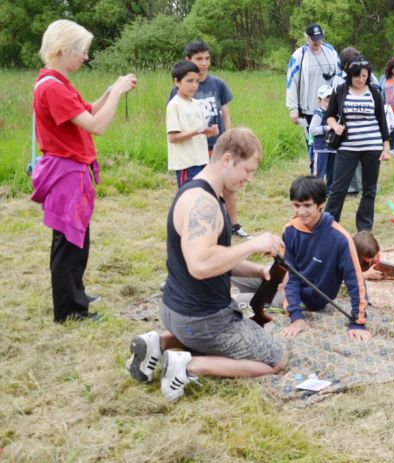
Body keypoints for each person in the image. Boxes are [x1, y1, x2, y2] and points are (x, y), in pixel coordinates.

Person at [126, 128, 287, 402]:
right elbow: (200, 265)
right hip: (203, 321)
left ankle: (159, 342)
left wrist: (256, 270)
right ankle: (187, 366)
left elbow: (214, 256)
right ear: (227, 159)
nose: (249, 178)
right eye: (247, 170)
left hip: (173, 310)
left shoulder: (201, 192)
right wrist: (252, 244)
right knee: (277, 359)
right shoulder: (204, 203)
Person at [30, 19, 137, 323]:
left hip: (72, 171)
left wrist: (109, 90)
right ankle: (69, 310)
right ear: (62, 50)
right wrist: (116, 94)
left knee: (77, 238)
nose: (86, 57)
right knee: (68, 243)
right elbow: (97, 126)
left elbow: (86, 110)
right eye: (82, 51)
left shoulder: (57, 82)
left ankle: (75, 294)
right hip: (66, 173)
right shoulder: (53, 88)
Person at [169, 41, 250, 239]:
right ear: (188, 60)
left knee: (227, 185)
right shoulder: (180, 91)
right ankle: (198, 229)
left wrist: (228, 138)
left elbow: (225, 114)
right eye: (198, 59)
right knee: (201, 190)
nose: (204, 63)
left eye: (206, 58)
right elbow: (175, 128)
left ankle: (233, 224)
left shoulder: (217, 84)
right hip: (193, 151)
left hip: (217, 146)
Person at [280, 176, 371, 341]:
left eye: (307, 205)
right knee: (251, 275)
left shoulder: (341, 238)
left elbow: (355, 281)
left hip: (310, 300)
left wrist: (358, 322)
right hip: (289, 293)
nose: (300, 212)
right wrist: (296, 317)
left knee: (249, 299)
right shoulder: (289, 231)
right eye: (296, 205)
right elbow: (289, 277)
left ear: (321, 204)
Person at [325, 56, 391, 232]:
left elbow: (382, 121)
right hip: (347, 148)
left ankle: (364, 227)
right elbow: (329, 116)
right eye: (357, 76)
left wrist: (386, 147)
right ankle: (329, 224)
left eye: (364, 76)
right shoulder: (340, 90)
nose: (361, 79)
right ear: (350, 75)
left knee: (369, 189)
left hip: (372, 147)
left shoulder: (375, 93)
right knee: (338, 189)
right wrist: (335, 127)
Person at [286, 23, 341, 174]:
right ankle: (314, 175)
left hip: (331, 107)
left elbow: (340, 74)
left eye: (319, 39)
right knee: (314, 144)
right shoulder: (299, 56)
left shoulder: (330, 51)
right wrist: (293, 109)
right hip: (310, 108)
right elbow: (291, 82)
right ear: (306, 38)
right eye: (313, 40)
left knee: (332, 142)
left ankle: (331, 179)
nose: (317, 43)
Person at [166, 60, 218, 188]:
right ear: (176, 82)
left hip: (202, 160)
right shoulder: (174, 105)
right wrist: (197, 131)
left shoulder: (196, 104)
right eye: (189, 81)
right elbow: (173, 137)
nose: (194, 85)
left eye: (197, 81)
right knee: (188, 196)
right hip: (186, 164)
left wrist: (208, 132)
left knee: (202, 194)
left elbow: (198, 133)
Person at [308, 85, 336, 191]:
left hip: (333, 148)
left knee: (332, 172)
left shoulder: (335, 113)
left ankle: (330, 192)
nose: (330, 103)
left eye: (332, 100)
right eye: (327, 100)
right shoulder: (319, 114)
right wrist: (326, 128)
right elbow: (312, 130)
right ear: (320, 101)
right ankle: (314, 191)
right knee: (318, 172)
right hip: (320, 148)